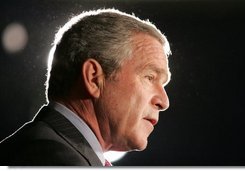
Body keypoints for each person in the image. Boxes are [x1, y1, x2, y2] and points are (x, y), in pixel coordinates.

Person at [0, 8, 171, 166]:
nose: (164, 101)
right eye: (150, 77)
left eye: (162, 84)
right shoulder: (52, 158)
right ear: (94, 78)